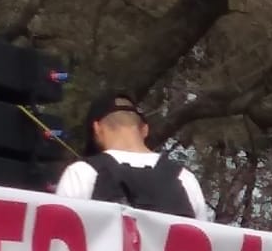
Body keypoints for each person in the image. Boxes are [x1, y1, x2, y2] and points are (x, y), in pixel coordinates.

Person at [55, 93, 209, 220]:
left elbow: (60, 242)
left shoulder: (81, 173)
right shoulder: (185, 178)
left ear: (97, 128)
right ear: (145, 129)